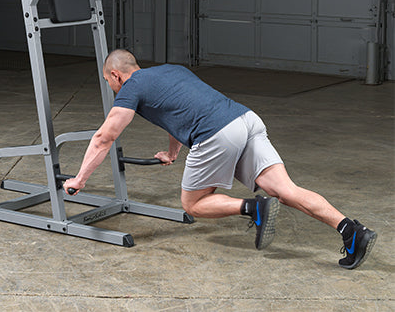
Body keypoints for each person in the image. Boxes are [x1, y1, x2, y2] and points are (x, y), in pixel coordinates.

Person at [64, 49, 376, 269]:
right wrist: (173, 152)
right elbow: (178, 111)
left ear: (116, 75)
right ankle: (351, 230)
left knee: (193, 204)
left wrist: (79, 180)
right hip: (245, 119)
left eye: (108, 81)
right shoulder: (170, 71)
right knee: (286, 190)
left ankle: (253, 208)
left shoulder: (130, 88)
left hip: (216, 134)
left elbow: (104, 137)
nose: (111, 87)